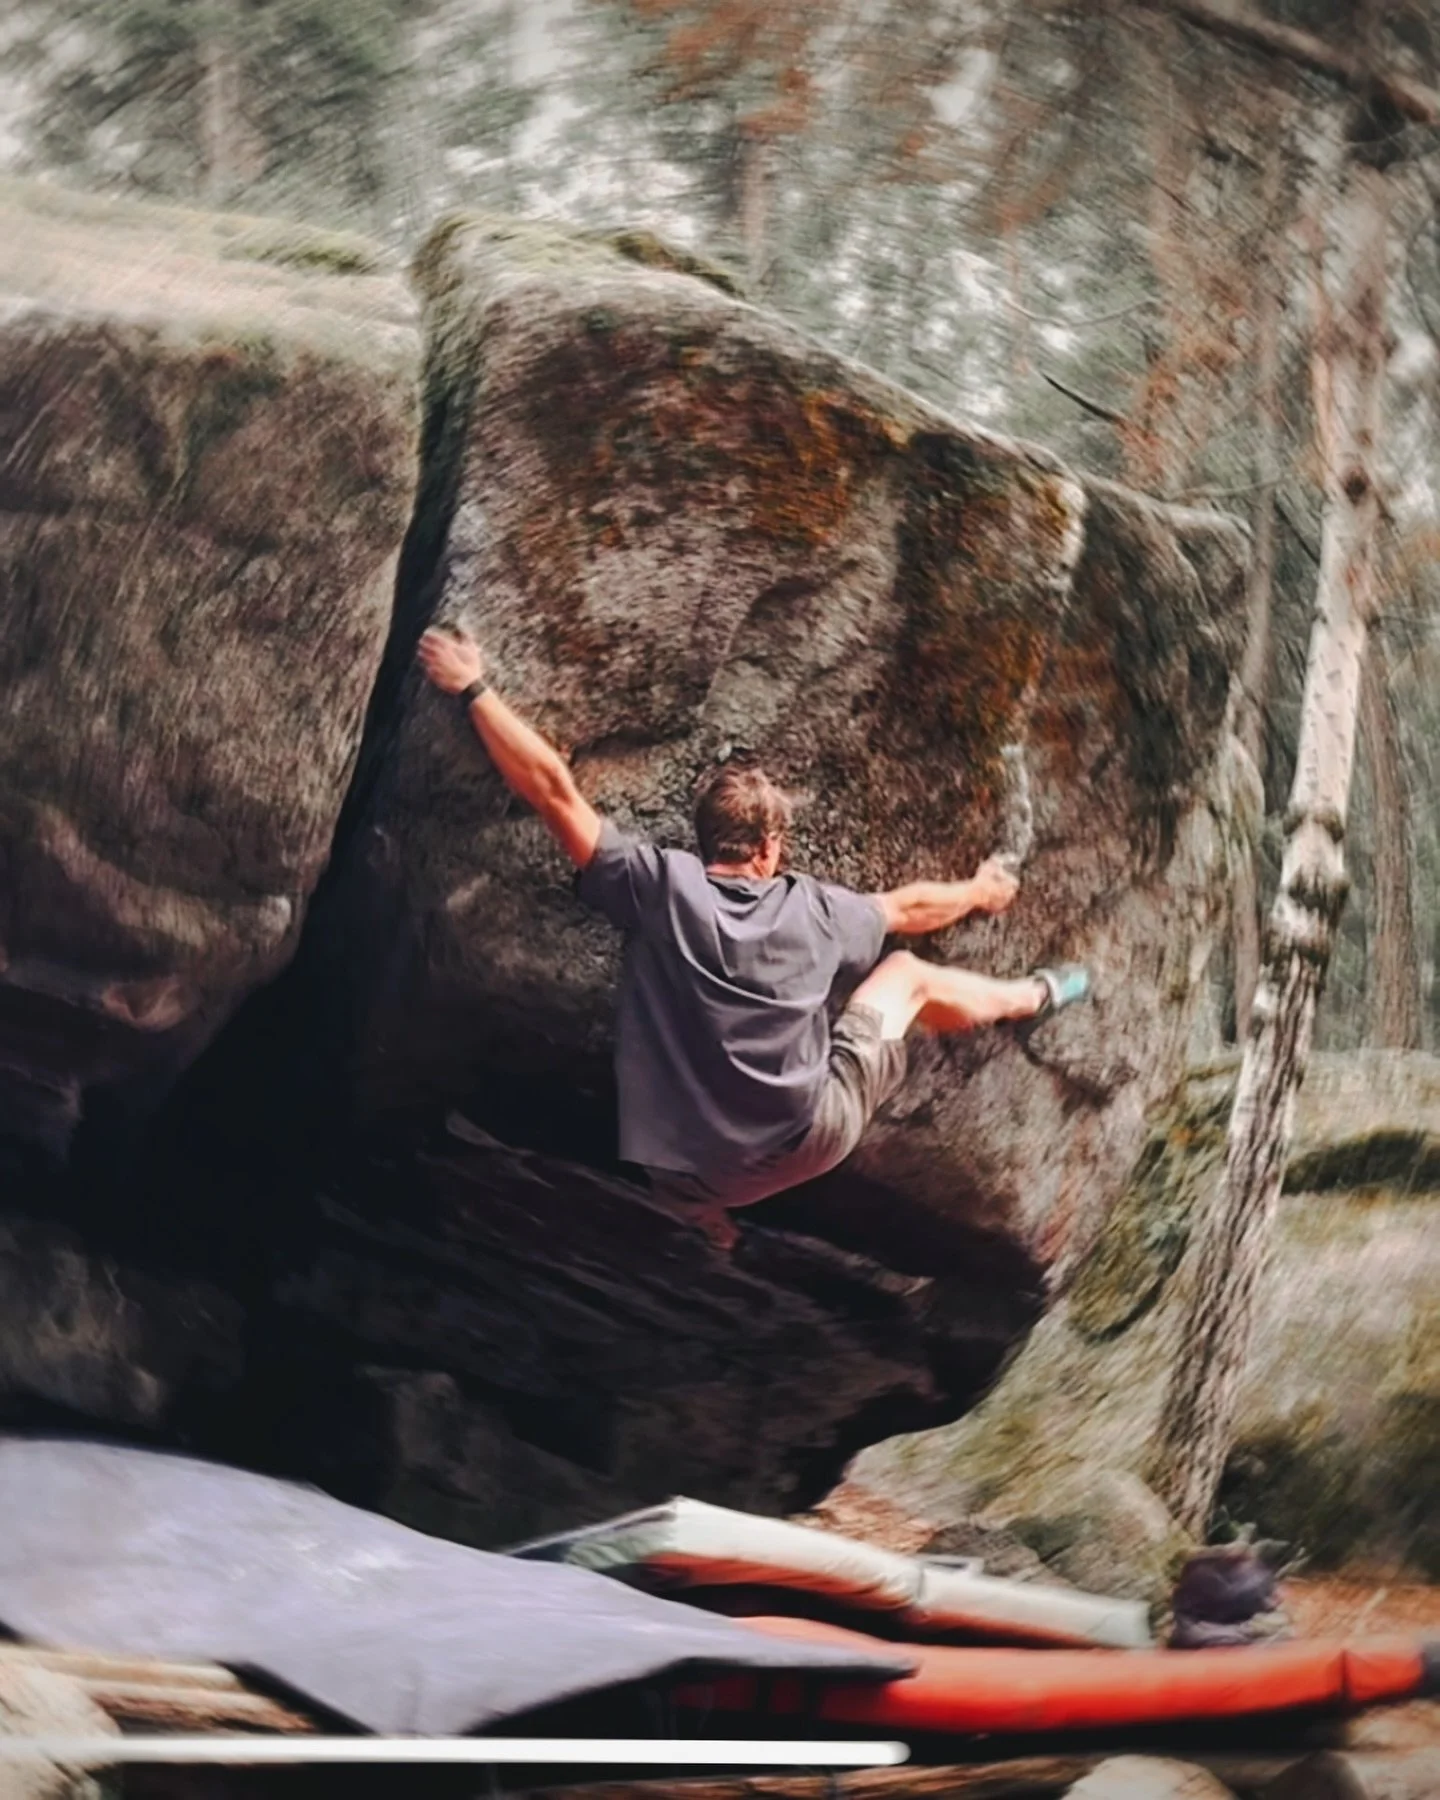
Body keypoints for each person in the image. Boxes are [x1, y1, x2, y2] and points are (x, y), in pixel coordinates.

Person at [418, 625, 1092, 1249]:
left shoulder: (657, 886)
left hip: (687, 1173)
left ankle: (707, 1223)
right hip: (808, 1142)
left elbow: (554, 792)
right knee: (907, 976)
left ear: (705, 841)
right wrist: (979, 890)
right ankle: (1031, 996)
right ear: (770, 849)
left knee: (679, 1169)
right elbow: (909, 908)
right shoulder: (816, 910)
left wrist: (473, 686)